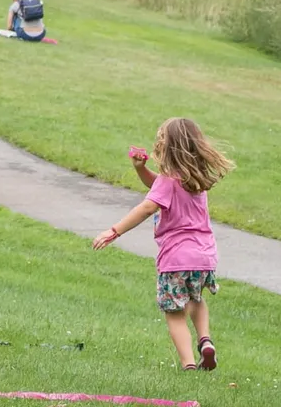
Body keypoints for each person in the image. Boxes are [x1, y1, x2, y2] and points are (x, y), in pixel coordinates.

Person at [93, 118, 233, 372]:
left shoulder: (169, 181)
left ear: (167, 148)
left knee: (174, 313)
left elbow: (148, 206)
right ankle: (205, 340)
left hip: (176, 258)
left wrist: (114, 231)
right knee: (196, 299)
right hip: (204, 257)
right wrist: (141, 170)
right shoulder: (197, 180)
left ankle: (188, 364)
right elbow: (159, 186)